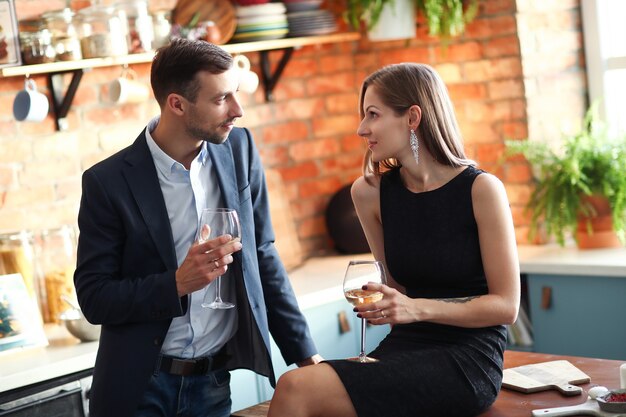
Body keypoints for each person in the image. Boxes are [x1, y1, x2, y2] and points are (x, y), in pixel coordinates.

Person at [74, 38, 321, 417]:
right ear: (177, 104)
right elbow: (94, 297)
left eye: (235, 94)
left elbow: (262, 253)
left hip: (213, 383)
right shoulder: (108, 183)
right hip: (139, 388)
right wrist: (176, 284)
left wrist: (307, 357)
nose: (238, 110)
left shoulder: (239, 148)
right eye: (222, 99)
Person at [267, 63, 520, 417]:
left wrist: (416, 308)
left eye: (373, 114)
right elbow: (397, 292)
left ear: (412, 117)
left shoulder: (481, 189)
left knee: (296, 386)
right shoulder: (369, 194)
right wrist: (386, 306)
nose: (361, 128)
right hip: (406, 345)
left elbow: (506, 307)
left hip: (468, 358)